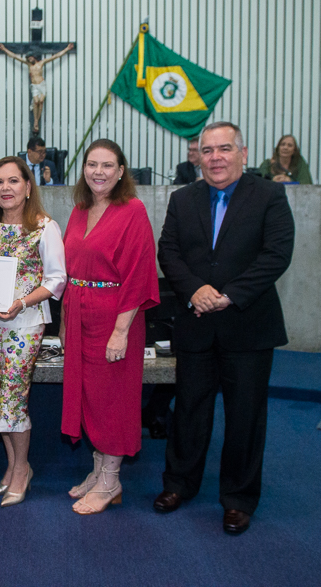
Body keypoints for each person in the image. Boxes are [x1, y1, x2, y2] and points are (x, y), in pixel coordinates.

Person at [154, 121, 295, 536]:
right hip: (195, 323)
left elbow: (276, 254)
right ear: (198, 157)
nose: (215, 157)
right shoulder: (183, 199)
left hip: (248, 324)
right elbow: (169, 250)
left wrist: (228, 295)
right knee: (189, 411)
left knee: (245, 416)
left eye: (224, 149)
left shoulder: (269, 195)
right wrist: (196, 290)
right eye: (208, 150)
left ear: (244, 154)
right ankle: (178, 485)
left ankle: (238, 499)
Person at [0, 156, 66, 507]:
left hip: (25, 324)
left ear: (28, 186)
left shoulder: (44, 226)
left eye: (13, 181)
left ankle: (21, 471)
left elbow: (56, 279)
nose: (5, 188)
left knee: (12, 399)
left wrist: (20, 302)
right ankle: (14, 466)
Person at [60, 139, 160, 515]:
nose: (98, 172)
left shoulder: (132, 210)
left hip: (116, 317)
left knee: (112, 398)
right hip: (80, 313)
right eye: (91, 164)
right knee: (89, 396)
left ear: (121, 172)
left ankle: (112, 479)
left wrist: (120, 331)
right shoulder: (80, 210)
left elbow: (138, 275)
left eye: (107, 165)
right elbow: (72, 272)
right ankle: (100, 470)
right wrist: (67, 324)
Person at [0, 43, 74, 132]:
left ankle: (36, 121)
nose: (29, 59)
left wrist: (67, 49)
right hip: (34, 86)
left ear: (34, 57)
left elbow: (55, 57)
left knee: (41, 101)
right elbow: (15, 56)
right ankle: (36, 121)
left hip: (41, 84)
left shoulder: (41, 63)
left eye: (31, 57)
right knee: (36, 101)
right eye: (28, 58)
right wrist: (4, 49)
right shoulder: (28, 65)